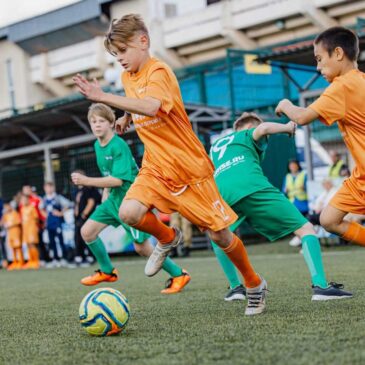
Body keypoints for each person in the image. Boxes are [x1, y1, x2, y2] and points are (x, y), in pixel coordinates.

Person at [73, 14, 266, 316]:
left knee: (220, 236)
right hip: (156, 166)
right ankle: (167, 237)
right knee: (129, 212)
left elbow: (151, 105)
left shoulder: (159, 71)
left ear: (143, 41)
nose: (120, 59)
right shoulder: (128, 77)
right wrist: (125, 118)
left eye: (123, 51)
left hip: (189, 168)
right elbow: (137, 104)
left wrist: (103, 97)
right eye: (115, 54)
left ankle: (254, 284)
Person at [209, 112, 351, 301]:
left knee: (220, 236)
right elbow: (264, 128)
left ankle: (235, 288)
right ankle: (321, 287)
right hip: (252, 186)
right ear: (250, 128)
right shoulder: (248, 134)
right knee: (306, 228)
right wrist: (287, 128)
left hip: (222, 192)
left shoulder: (216, 146)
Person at [71, 103, 190, 294]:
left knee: (142, 248)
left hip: (131, 201)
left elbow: (118, 180)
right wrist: (105, 193)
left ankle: (179, 274)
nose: (97, 125)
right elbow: (108, 174)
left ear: (111, 123)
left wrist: (86, 181)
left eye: (101, 121)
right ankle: (108, 271)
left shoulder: (118, 145)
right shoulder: (97, 144)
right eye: (93, 121)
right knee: (87, 232)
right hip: (113, 200)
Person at [275, 26, 365, 248]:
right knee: (328, 219)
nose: (317, 67)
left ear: (338, 53)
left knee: (329, 220)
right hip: (360, 176)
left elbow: (302, 116)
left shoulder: (341, 86)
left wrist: (285, 104)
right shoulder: (360, 79)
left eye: (319, 59)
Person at [73, 170, 100, 267]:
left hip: (85, 217)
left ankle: (90, 256)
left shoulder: (88, 189)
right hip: (78, 218)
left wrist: (84, 215)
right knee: (77, 237)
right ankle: (80, 257)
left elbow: (91, 202)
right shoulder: (76, 191)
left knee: (87, 236)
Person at [41, 182, 70, 267]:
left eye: (50, 187)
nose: (49, 189)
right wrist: (45, 215)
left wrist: (61, 213)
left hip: (57, 223)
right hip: (49, 224)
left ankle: (64, 259)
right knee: (52, 242)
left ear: (53, 188)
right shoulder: (44, 199)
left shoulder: (57, 197)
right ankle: (55, 259)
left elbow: (68, 204)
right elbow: (41, 209)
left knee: (60, 241)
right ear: (44, 188)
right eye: (47, 187)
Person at [21, 185, 49, 265]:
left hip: (36, 225)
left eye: (28, 189)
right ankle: (34, 260)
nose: (26, 191)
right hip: (27, 227)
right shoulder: (23, 202)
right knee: (31, 243)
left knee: (39, 242)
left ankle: (43, 259)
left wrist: (43, 222)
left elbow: (41, 211)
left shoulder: (37, 199)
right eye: (25, 189)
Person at [1, 201, 23, 270]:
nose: (6, 208)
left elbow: (19, 221)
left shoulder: (15, 213)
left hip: (16, 233)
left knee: (18, 247)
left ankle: (21, 262)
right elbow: (2, 222)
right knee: (12, 248)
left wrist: (10, 224)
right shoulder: (5, 215)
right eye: (5, 207)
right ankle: (15, 262)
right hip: (10, 234)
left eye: (7, 206)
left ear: (10, 206)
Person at [20, 194, 40, 269]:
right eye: (22, 200)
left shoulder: (32, 208)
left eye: (24, 200)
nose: (23, 201)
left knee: (32, 244)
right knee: (28, 245)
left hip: (32, 229)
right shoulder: (22, 209)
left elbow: (36, 218)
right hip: (26, 230)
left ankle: (36, 261)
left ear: (28, 200)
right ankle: (31, 261)